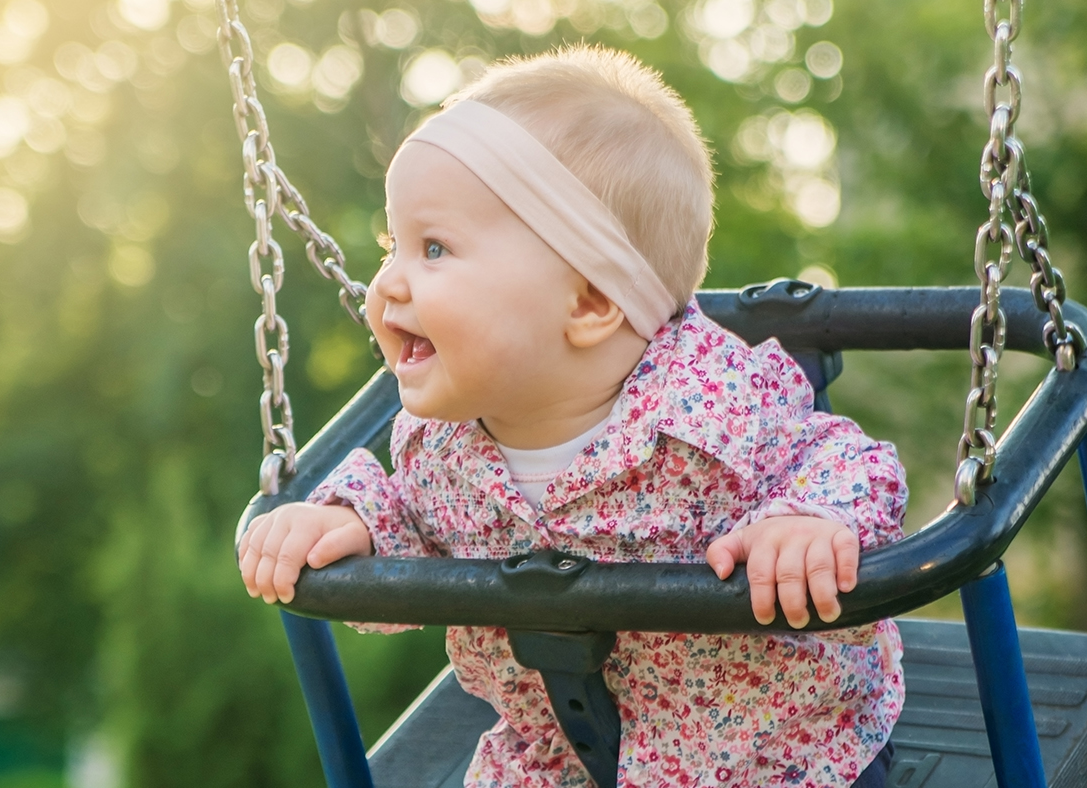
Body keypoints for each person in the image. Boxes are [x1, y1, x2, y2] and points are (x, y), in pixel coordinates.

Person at [239, 45, 906, 788]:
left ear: (588, 303)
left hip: (774, 751)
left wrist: (807, 520)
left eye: (433, 248)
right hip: (564, 751)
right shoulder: (438, 442)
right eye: (392, 245)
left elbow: (852, 459)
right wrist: (347, 524)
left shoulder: (714, 402)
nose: (389, 279)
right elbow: (413, 521)